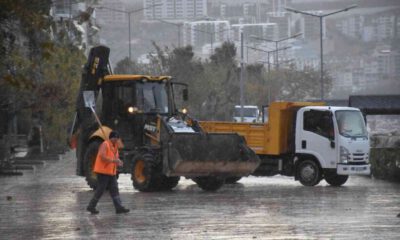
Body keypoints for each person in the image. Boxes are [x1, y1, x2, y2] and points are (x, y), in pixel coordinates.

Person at [87, 131, 130, 214]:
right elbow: (102, 156)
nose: (116, 140)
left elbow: (115, 158)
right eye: (115, 138)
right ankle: (91, 206)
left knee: (114, 189)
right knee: (101, 189)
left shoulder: (115, 147)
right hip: (103, 171)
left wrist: (119, 162)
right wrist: (114, 160)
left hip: (111, 172)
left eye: (117, 139)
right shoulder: (105, 144)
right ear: (111, 138)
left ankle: (119, 207)